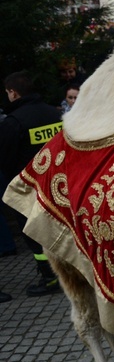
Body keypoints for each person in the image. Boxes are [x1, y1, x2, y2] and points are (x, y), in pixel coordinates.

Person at [1, 71, 64, 296]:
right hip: (60, 185)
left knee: (35, 235)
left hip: (29, 190)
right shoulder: (53, 114)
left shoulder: (13, 122)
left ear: (13, 93)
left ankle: (49, 277)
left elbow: (5, 160)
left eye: (7, 92)